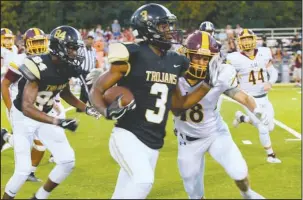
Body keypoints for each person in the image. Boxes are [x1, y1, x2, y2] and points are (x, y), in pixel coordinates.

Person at [88, 3, 213, 199]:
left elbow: (179, 107)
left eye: (169, 26)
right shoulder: (133, 54)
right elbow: (97, 89)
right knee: (143, 181)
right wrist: (105, 110)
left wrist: (207, 85)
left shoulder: (176, 60)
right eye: (164, 26)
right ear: (149, 28)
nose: (169, 31)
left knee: (124, 192)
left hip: (154, 140)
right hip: (127, 134)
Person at [2, 25, 101, 199]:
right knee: (22, 171)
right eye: (71, 48)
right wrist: (58, 121)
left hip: (44, 114)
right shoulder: (37, 65)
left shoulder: (66, 65)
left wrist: (88, 109)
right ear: (60, 47)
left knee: (67, 161)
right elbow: (27, 108)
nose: (75, 53)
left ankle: (39, 197)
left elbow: (64, 92)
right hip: (24, 117)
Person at [173, 31, 266, 199]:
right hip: (187, 140)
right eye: (196, 57)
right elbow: (176, 108)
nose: (201, 63)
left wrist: (256, 108)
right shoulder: (175, 76)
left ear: (213, 59)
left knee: (239, 172)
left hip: (215, 133)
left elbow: (242, 96)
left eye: (205, 58)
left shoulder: (221, 74)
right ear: (187, 55)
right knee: (194, 194)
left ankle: (247, 194)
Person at [1, 28, 51, 182]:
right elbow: (5, 85)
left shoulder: (47, 59)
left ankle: (30, 171)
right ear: (27, 44)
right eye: (34, 43)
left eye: (40, 42)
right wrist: (10, 108)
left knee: (41, 144)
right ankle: (5, 136)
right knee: (27, 144)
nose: (38, 46)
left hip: (36, 107)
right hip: (19, 107)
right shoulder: (18, 60)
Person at [226, 29, 281, 163]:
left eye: (248, 38)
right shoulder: (234, 58)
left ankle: (242, 118)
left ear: (254, 39)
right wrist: (235, 85)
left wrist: (270, 82)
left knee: (270, 127)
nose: (246, 42)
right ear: (239, 42)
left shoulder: (264, 53)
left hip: (264, 97)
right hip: (249, 99)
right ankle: (270, 155)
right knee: (263, 126)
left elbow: (273, 71)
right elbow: (228, 77)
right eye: (243, 39)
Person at [76, 33, 99, 112]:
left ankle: (79, 108)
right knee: (87, 89)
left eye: (91, 39)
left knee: (84, 90)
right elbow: (76, 57)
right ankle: (93, 106)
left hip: (91, 72)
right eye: (88, 39)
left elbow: (95, 61)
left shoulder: (94, 50)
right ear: (85, 40)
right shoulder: (81, 49)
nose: (90, 41)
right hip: (83, 72)